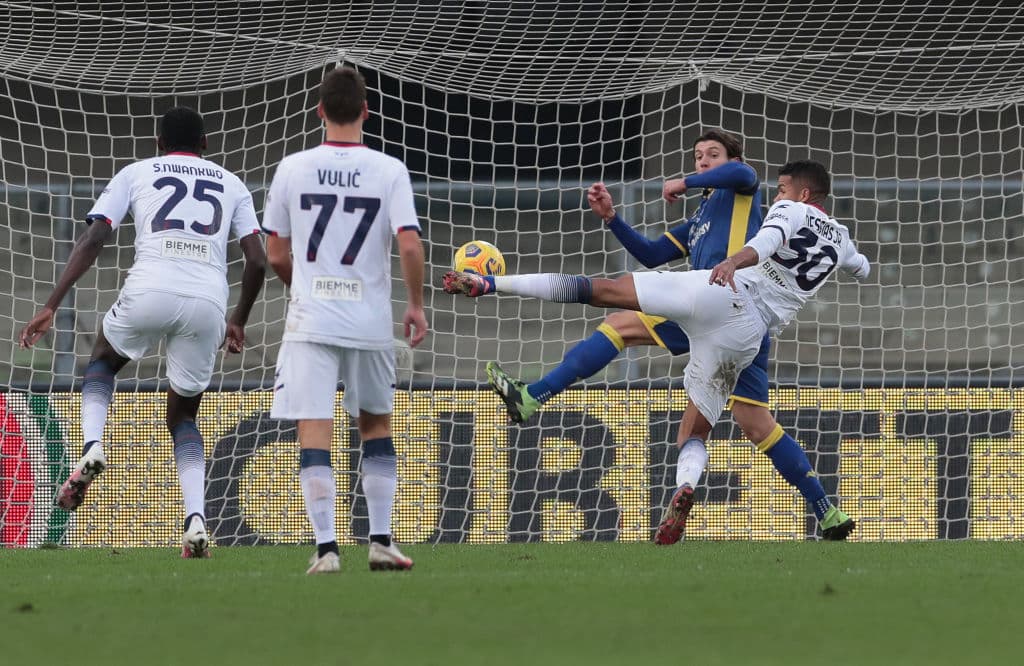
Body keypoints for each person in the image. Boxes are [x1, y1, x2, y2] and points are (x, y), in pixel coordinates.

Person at [445, 160, 869, 542]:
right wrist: (851, 261)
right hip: (746, 335)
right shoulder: (842, 239)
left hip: (718, 289)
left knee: (604, 292)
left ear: (803, 193)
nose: (776, 195)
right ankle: (691, 488)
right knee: (695, 433)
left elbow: (768, 240)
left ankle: (490, 285)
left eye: (782, 189)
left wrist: (733, 261)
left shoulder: (788, 208)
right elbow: (859, 265)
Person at [19, 106, 267, 558]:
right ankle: (196, 521)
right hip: (208, 302)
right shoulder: (232, 182)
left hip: (149, 288)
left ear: (157, 143)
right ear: (206, 145)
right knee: (184, 418)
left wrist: (51, 304)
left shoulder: (136, 172)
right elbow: (256, 260)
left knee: (102, 360)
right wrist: (238, 321)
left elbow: (94, 239)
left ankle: (93, 444)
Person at [262, 66, 428, 574]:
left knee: (316, 426)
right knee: (375, 423)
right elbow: (408, 242)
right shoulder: (389, 169)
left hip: (311, 319)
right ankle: (380, 541)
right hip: (369, 319)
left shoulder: (292, 167)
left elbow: (273, 251)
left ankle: (327, 549)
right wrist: (417, 304)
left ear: (319, 112)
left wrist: (306, 286)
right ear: (365, 112)